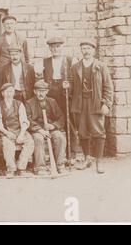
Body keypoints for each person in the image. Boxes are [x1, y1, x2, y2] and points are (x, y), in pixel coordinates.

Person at [69, 39, 113, 174]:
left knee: (98, 131)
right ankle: (88, 158)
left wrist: (106, 103)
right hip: (80, 104)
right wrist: (67, 86)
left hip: (96, 103)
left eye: (88, 48)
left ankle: (99, 161)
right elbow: (72, 86)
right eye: (83, 49)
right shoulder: (75, 67)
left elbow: (108, 86)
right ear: (81, 51)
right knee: (82, 132)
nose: (86, 51)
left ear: (93, 50)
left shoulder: (101, 66)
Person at [41, 37, 81, 166]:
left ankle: (71, 154)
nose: (55, 49)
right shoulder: (45, 61)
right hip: (51, 92)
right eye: (52, 47)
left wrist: (69, 85)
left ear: (62, 47)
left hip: (65, 93)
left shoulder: (70, 60)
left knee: (69, 122)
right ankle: (54, 153)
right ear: (50, 49)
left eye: (57, 47)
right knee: (51, 120)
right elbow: (41, 77)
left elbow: (76, 79)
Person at [26, 80, 67, 175]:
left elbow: (61, 117)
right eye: (38, 91)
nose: (41, 93)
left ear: (47, 91)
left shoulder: (52, 102)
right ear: (34, 91)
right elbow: (28, 119)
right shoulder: (29, 103)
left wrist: (53, 125)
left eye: (43, 91)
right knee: (38, 139)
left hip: (50, 128)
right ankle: (40, 167)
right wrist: (40, 130)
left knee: (60, 137)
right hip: (37, 130)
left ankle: (59, 165)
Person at [0, 83, 34, 177]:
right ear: (2, 93)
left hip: (19, 130)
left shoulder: (19, 104)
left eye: (11, 91)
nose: (9, 93)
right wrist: (6, 133)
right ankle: (11, 169)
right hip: (6, 131)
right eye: (7, 91)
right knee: (7, 145)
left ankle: (21, 167)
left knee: (30, 142)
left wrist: (21, 134)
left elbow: (24, 121)